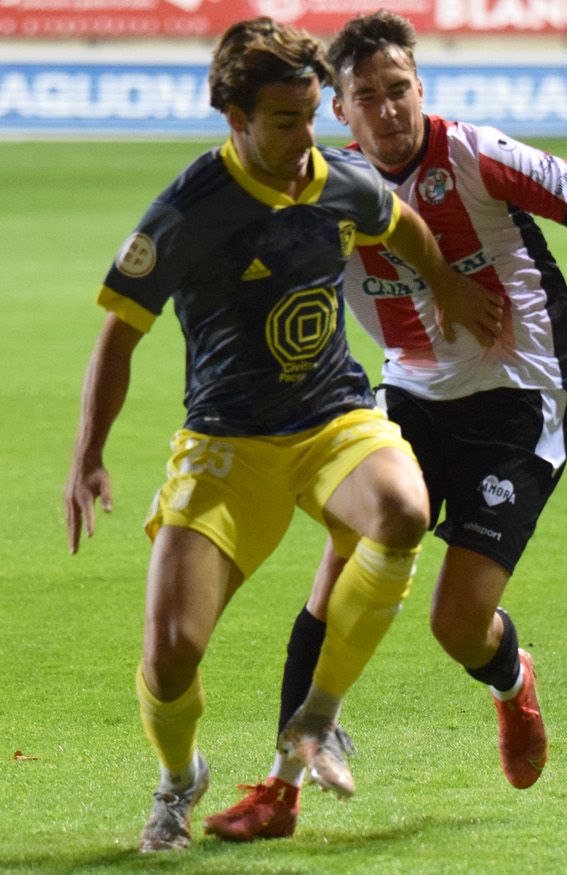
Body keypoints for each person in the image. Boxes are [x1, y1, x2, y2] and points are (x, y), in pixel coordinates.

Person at [202, 10, 567, 842]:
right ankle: (279, 788)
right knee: (339, 569)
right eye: (367, 97)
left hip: (517, 398)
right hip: (408, 397)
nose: (388, 109)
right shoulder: (325, 187)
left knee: (456, 624)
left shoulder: (477, 155)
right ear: (342, 111)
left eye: (399, 90)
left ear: (421, 88)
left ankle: (513, 685)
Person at [62, 16, 503, 853]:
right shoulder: (190, 209)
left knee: (404, 511)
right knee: (172, 654)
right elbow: (119, 334)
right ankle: (179, 778)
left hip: (333, 418)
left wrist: (440, 285)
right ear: (236, 119)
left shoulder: (336, 179)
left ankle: (320, 716)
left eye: (313, 116)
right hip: (228, 445)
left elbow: (397, 219)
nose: (309, 138)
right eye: (287, 122)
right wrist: (88, 454)